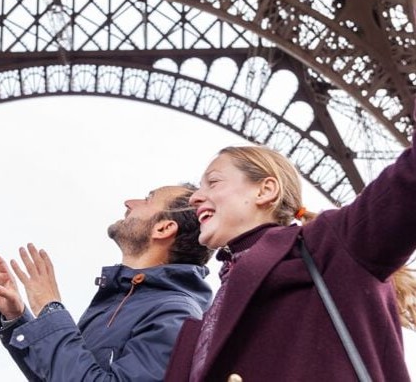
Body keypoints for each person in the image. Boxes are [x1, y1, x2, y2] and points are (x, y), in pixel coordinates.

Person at [164, 141, 416, 381]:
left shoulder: (329, 245)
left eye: (213, 182)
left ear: (265, 190)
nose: (194, 197)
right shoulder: (208, 313)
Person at [0, 184, 213, 381]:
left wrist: (50, 309)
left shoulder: (176, 314)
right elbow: (61, 375)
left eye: (148, 199)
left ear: (163, 228)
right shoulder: (124, 302)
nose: (129, 202)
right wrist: (17, 317)